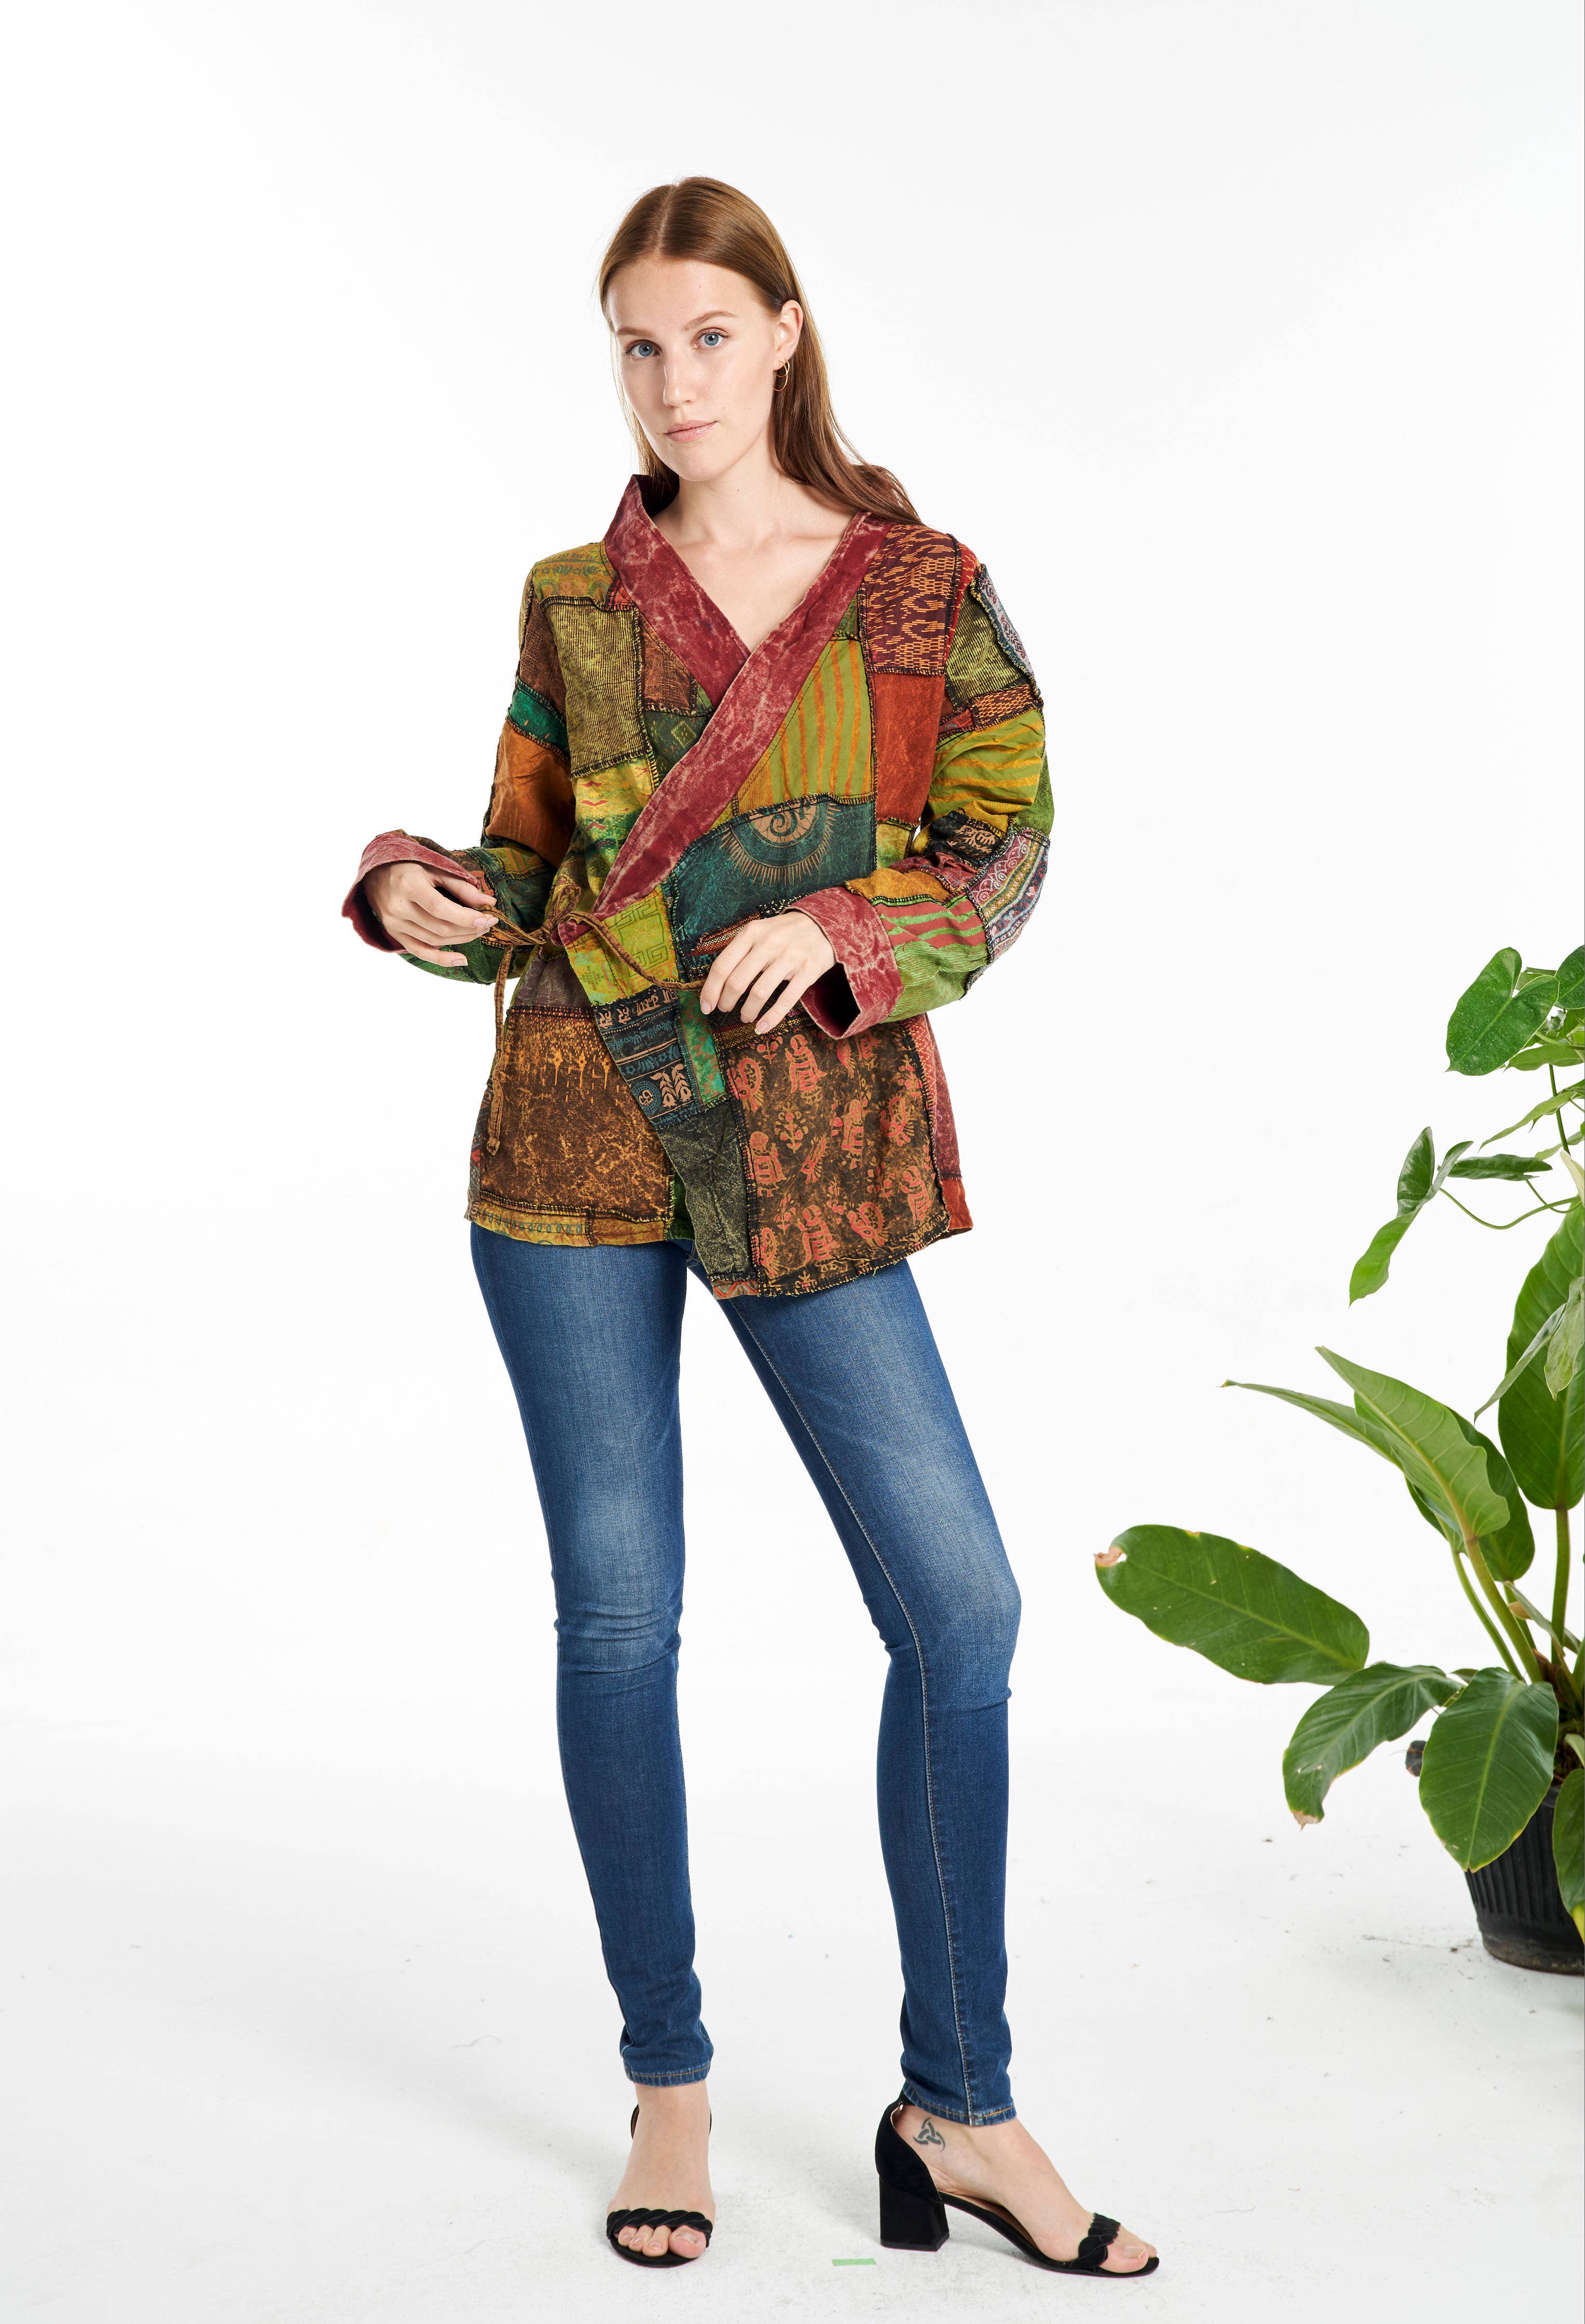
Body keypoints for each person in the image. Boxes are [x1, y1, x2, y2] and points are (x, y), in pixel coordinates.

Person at [343, 176, 1158, 2281]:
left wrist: (847, 931)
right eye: (637, 342)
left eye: (708, 333)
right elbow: (534, 869)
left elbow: (1003, 846)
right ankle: (670, 2085)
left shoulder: (917, 589)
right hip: (574, 1132)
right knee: (620, 1619)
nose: (673, 378)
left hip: (803, 1150)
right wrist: (422, 892)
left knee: (959, 1609)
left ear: (783, 333)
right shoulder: (577, 600)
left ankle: (959, 2100)